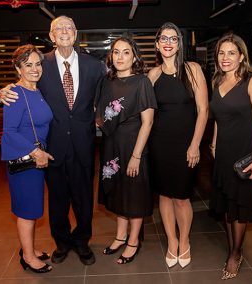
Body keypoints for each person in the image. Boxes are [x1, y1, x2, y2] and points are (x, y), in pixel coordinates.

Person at [0, 15, 105, 266]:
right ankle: (63, 242)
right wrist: (1, 93)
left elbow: (105, 95)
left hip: (83, 143)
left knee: (83, 198)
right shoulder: (40, 63)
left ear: (76, 33)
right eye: (59, 29)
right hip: (52, 146)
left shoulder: (93, 65)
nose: (65, 31)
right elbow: (22, 87)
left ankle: (82, 242)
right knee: (57, 199)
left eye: (69, 27)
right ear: (52, 36)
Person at [147, 22, 209, 269]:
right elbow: (144, 112)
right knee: (164, 195)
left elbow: (203, 110)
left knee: (182, 197)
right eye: (164, 38)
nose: (168, 42)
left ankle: (184, 241)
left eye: (173, 38)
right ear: (157, 43)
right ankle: (171, 241)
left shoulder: (192, 69)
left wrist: (195, 145)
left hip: (186, 144)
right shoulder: (152, 75)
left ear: (179, 43)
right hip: (159, 144)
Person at [209, 33, 252, 280]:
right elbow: (218, 119)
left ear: (241, 56)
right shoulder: (217, 81)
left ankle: (235, 253)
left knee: (240, 206)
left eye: (231, 53)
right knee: (226, 202)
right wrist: (213, 143)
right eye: (222, 53)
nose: (226, 57)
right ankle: (233, 244)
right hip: (222, 152)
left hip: (245, 153)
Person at [95, 37, 157, 264]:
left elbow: (148, 122)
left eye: (126, 52)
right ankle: (120, 236)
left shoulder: (142, 82)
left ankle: (133, 240)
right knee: (118, 190)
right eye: (116, 52)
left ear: (135, 57)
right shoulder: (106, 81)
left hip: (134, 144)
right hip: (111, 144)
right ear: (111, 56)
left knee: (134, 193)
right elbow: (99, 111)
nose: (120, 57)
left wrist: (136, 156)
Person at [1, 44, 54, 273]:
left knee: (32, 208)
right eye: (28, 65)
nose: (34, 69)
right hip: (25, 161)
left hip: (36, 159)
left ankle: (29, 249)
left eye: (37, 63)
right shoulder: (15, 93)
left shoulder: (36, 90)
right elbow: (9, 131)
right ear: (18, 68)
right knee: (26, 211)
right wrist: (37, 153)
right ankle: (28, 257)